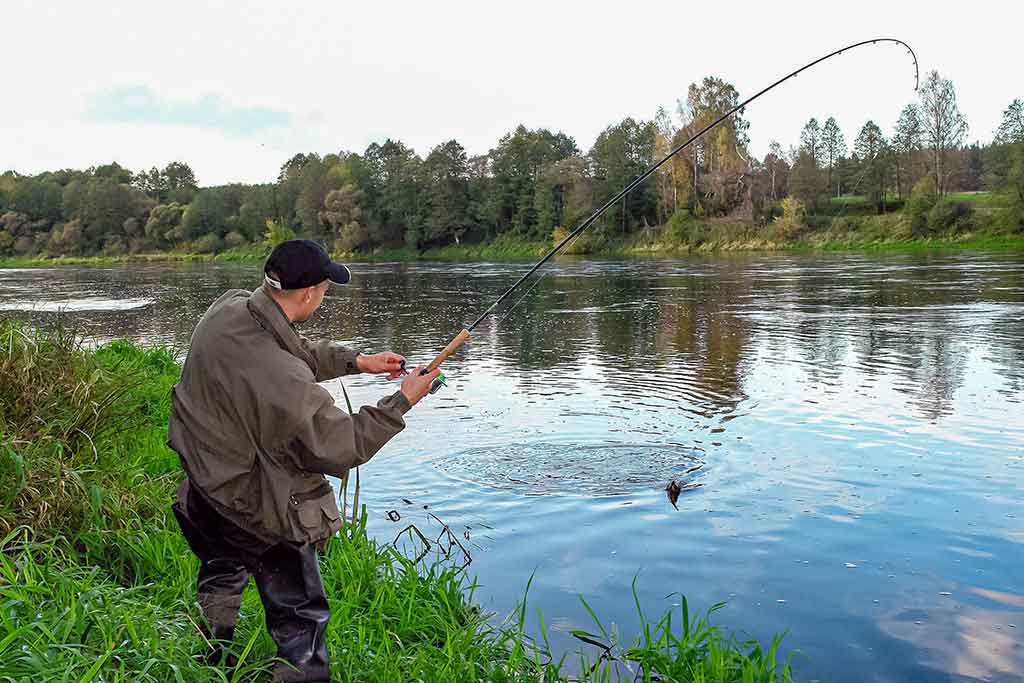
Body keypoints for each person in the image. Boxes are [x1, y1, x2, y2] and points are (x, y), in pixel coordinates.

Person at [167, 239, 440, 682]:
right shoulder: (283, 377)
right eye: (326, 287)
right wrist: (402, 400)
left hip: (202, 489)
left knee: (221, 570)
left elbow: (290, 347)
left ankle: (208, 663)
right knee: (301, 621)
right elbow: (342, 444)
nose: (325, 294)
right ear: (309, 293)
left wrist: (358, 362)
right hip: (256, 509)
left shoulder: (229, 311)